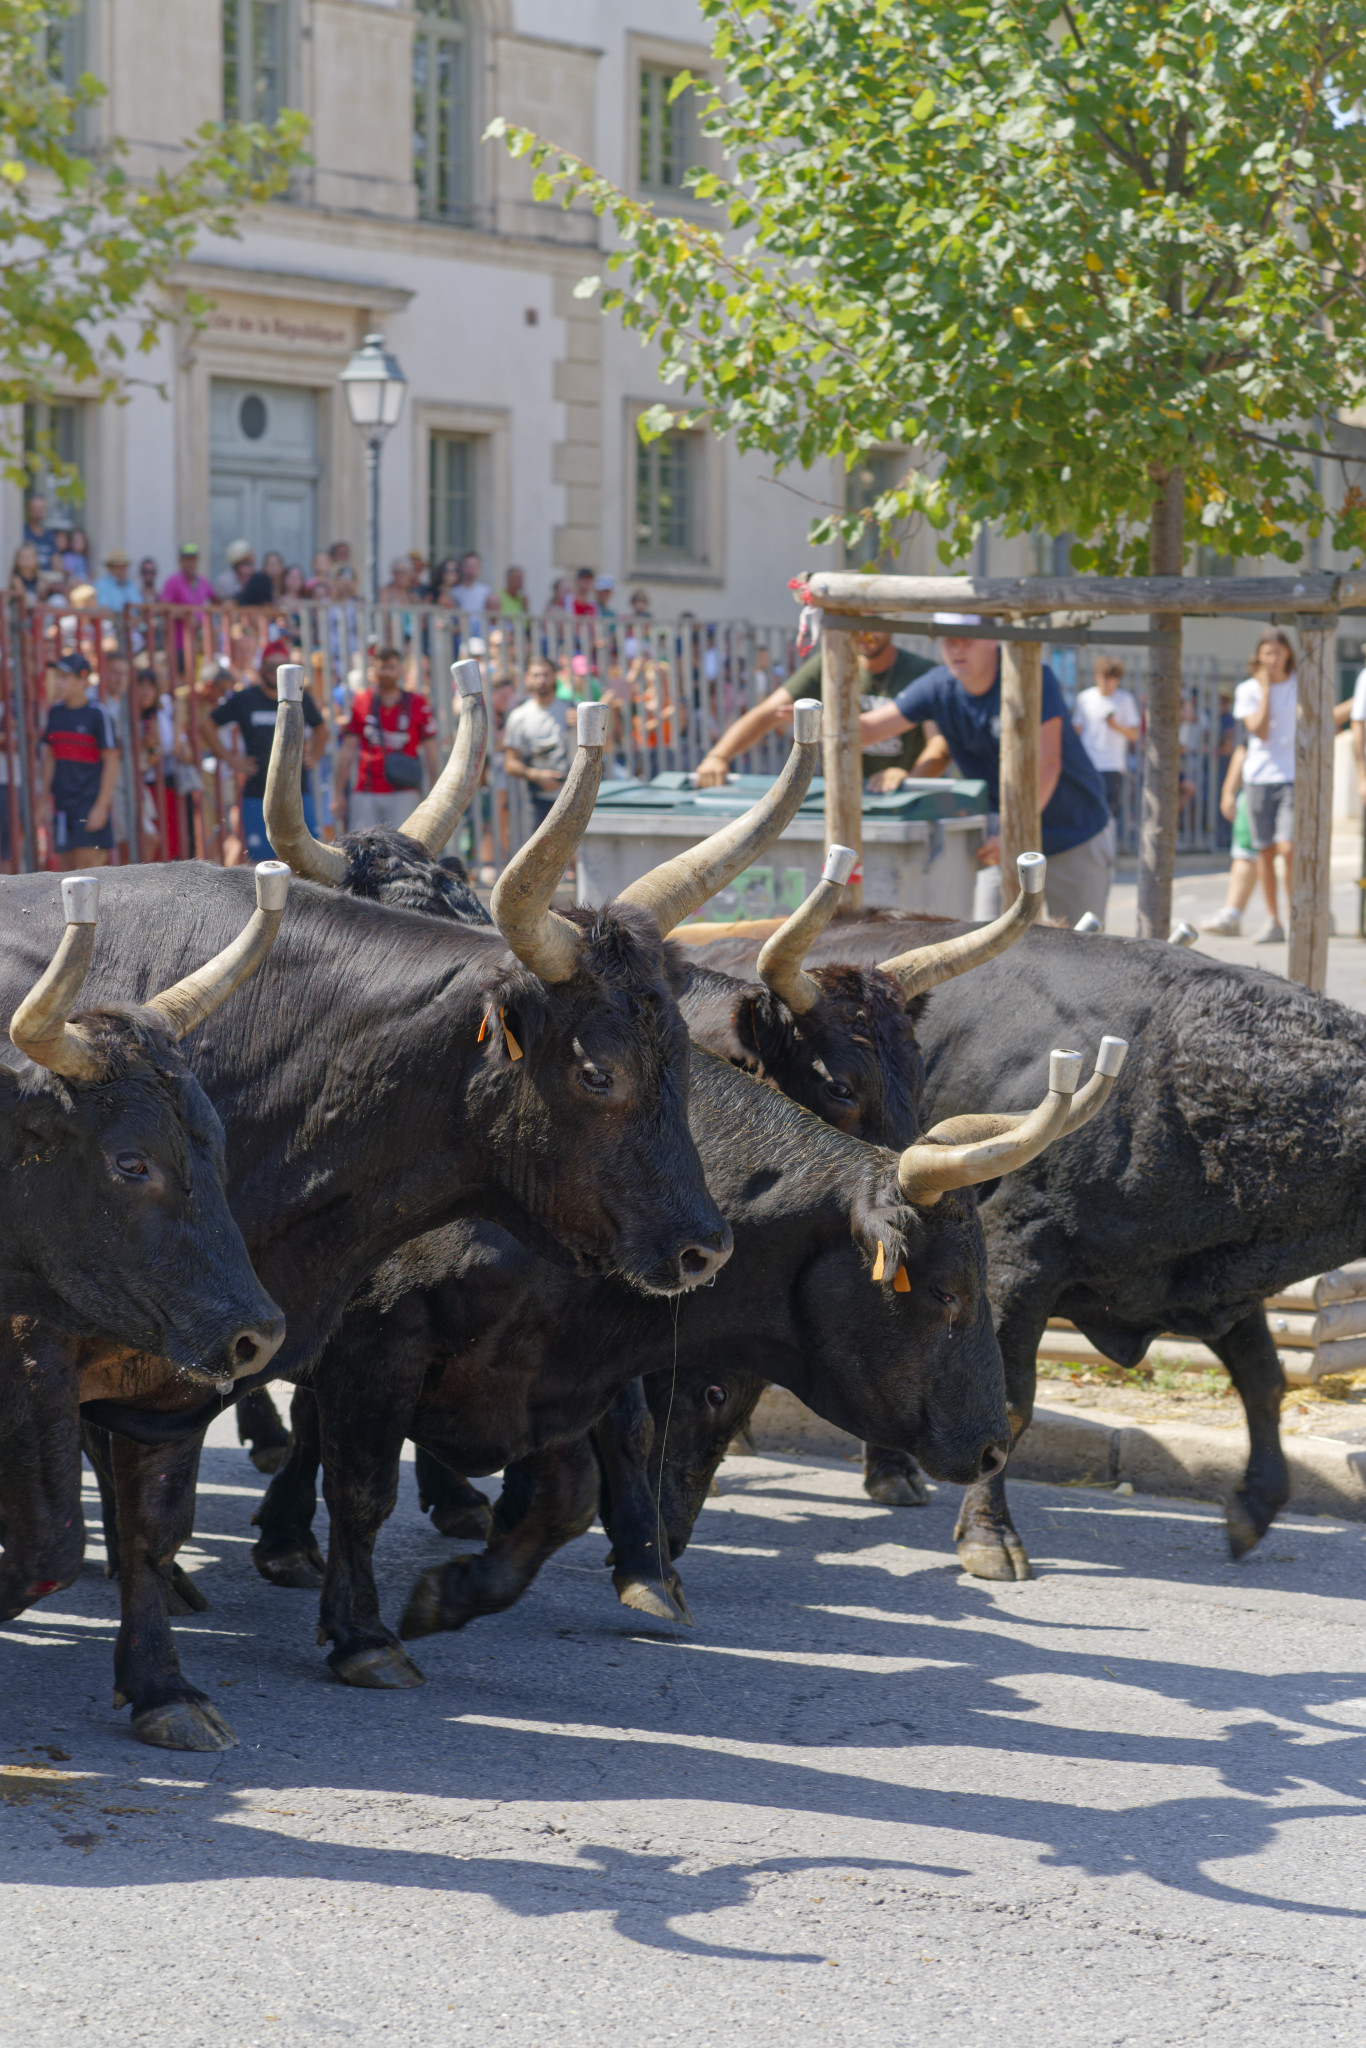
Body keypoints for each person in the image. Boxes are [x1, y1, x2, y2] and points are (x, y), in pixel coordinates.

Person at [858, 618, 1115, 926]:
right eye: (948, 640)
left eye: (967, 638)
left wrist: (1011, 834)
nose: (957, 648)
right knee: (985, 949)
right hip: (1003, 840)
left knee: (1080, 951)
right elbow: (866, 730)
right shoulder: (938, 684)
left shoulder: (1028, 673)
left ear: (995, 639)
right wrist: (809, 713)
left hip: (1072, 834)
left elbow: (1048, 763)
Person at [695, 629, 933, 790]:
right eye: (856, 618)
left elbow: (939, 745)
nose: (865, 630)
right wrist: (718, 757)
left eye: (873, 618)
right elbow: (768, 713)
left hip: (902, 801)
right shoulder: (829, 665)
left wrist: (911, 780)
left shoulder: (922, 673)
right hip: (840, 794)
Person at [211, 640, 325, 864]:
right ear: (261, 668)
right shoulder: (246, 698)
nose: (274, 673)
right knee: (262, 863)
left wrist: (315, 755)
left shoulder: (299, 698)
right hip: (257, 792)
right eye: (270, 667)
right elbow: (207, 725)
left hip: (298, 792)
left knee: (307, 859)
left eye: (280, 667)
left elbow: (321, 728)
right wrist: (232, 760)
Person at [1231, 629, 1297, 943]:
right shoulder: (1248, 689)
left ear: (1287, 654)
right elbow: (1259, 731)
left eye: (1277, 652)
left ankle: (1299, 914)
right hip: (1258, 777)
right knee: (1265, 852)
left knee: (1289, 846)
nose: (1272, 659)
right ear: (1258, 657)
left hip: (1291, 777)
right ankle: (1274, 919)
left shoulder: (1300, 685)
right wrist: (1266, 691)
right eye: (1266, 653)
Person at [334, 645, 440, 833]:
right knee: (361, 853)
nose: (387, 673)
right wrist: (338, 793)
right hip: (367, 789)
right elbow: (347, 750)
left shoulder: (417, 702)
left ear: (400, 670)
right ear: (373, 670)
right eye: (382, 667)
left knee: (405, 851)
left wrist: (435, 792)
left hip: (404, 790)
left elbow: (431, 750)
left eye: (392, 667)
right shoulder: (361, 700)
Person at [39, 652, 120, 869]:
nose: (58, 682)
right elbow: (50, 758)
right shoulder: (54, 712)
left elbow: (112, 760)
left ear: (82, 681)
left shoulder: (97, 713)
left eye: (65, 677)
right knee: (65, 868)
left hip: (89, 804)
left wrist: (101, 807)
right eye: (57, 676)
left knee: (86, 868)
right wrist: (43, 800)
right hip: (62, 805)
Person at [504, 654, 576, 827]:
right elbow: (510, 763)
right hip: (538, 801)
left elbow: (606, 745)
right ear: (527, 678)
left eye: (546, 674)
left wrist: (583, 726)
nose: (541, 680)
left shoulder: (572, 709)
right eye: (536, 675)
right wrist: (536, 775)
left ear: (554, 677)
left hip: (574, 797)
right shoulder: (519, 716)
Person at [1201, 718, 1259, 937]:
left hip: (1298, 787)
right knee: (1246, 852)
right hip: (1256, 787)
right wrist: (1228, 791)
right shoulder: (1259, 694)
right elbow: (1243, 748)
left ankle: (1309, 914)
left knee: (1293, 852)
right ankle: (1232, 914)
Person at [1072, 656, 1140, 820]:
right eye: (1104, 677)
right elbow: (1076, 731)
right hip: (1088, 763)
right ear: (1097, 676)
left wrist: (1114, 725)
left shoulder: (1125, 699)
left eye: (1111, 679)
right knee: (1087, 807)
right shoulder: (1084, 698)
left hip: (1112, 764)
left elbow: (1134, 735)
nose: (1107, 683)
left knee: (1109, 810)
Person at [161, 542, 215, 608]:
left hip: (200, 618)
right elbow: (164, 606)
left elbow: (215, 599)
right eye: (188, 560)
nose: (191, 563)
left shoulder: (203, 581)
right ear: (181, 561)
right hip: (181, 618)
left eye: (193, 559)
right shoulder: (173, 581)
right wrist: (183, 614)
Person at [94, 547, 138, 612]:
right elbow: (103, 608)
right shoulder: (101, 585)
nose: (121, 570)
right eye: (117, 567)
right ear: (110, 568)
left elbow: (140, 606)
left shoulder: (131, 585)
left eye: (123, 567)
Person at [22, 496, 55, 573]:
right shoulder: (22, 532)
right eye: (35, 508)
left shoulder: (49, 535)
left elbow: (55, 558)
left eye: (41, 508)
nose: (39, 511)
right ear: (28, 510)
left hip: (48, 579)